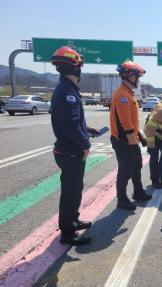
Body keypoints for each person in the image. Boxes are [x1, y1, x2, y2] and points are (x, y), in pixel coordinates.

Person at [51, 46, 93, 245]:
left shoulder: (67, 89)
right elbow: (70, 124)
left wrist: (88, 130)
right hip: (71, 152)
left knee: (75, 189)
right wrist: (85, 143)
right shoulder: (67, 91)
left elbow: (73, 121)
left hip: (69, 150)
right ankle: (67, 232)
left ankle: (73, 220)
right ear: (75, 68)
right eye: (79, 66)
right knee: (70, 191)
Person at [110, 60, 152, 210]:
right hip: (123, 140)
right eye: (137, 77)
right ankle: (121, 199)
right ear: (128, 76)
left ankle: (138, 191)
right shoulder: (123, 95)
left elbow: (132, 123)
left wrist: (139, 136)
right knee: (125, 169)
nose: (138, 80)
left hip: (130, 138)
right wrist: (134, 144)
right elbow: (125, 124)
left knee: (136, 166)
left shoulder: (128, 94)